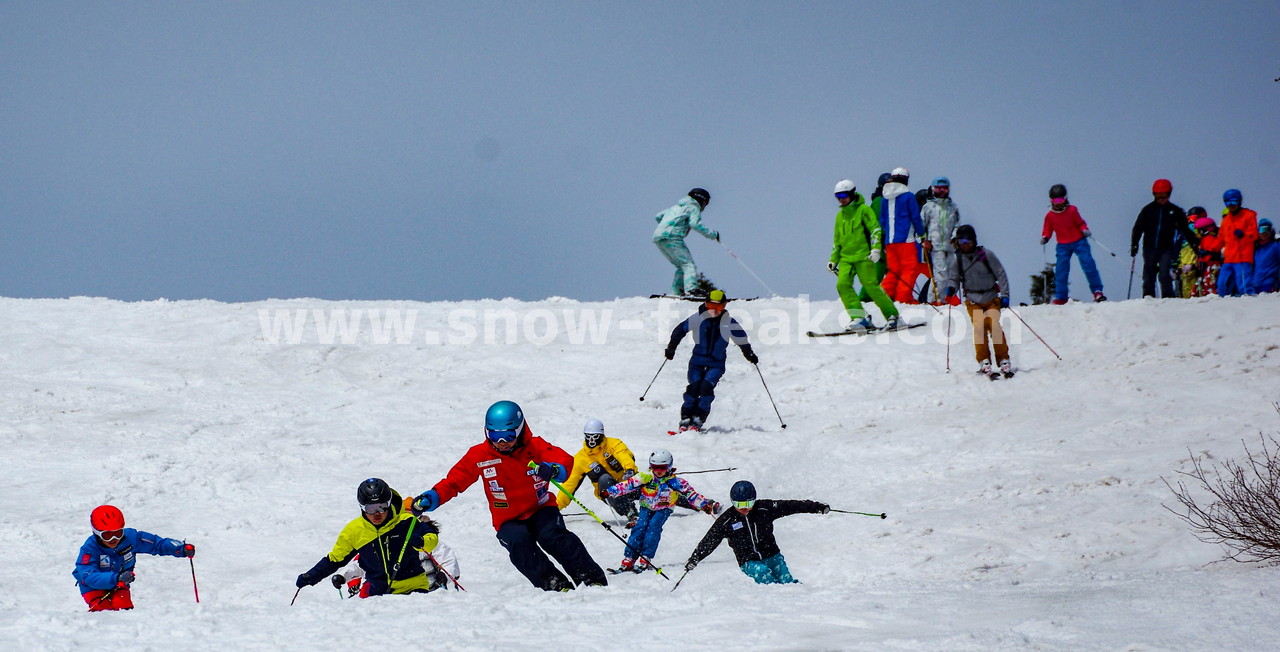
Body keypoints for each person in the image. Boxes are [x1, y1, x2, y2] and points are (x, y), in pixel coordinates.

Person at [413, 401, 608, 591]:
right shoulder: (480, 455)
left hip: (540, 509)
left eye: (508, 435)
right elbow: (455, 481)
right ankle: (554, 584)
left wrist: (553, 469)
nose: (502, 442)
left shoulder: (535, 446)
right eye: (494, 436)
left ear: (520, 430)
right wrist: (433, 497)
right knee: (519, 543)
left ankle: (590, 578)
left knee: (553, 536)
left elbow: (564, 460)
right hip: (507, 518)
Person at [295, 478, 440, 596]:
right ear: (362, 507)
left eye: (382, 507)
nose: (377, 513)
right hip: (378, 593)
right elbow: (334, 560)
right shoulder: (354, 531)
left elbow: (431, 538)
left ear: (389, 504)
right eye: (371, 508)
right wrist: (311, 576)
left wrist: (422, 542)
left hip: (413, 588)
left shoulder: (407, 521)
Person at [682, 480, 828, 585]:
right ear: (733, 503)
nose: (744, 508)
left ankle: (800, 599)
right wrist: (695, 558)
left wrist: (816, 507)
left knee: (786, 581)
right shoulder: (727, 520)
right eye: (739, 505)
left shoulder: (764, 508)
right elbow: (710, 539)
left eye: (748, 504)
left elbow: (791, 506)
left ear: (754, 500)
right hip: (748, 561)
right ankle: (775, 599)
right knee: (762, 572)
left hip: (772, 555)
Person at [604, 449, 720, 573]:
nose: (658, 471)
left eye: (662, 467)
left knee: (653, 528)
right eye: (655, 467)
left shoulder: (675, 482)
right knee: (639, 527)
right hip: (646, 506)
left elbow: (690, 494)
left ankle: (646, 557)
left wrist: (703, 505)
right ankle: (629, 558)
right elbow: (628, 484)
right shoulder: (646, 477)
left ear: (669, 466)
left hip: (664, 508)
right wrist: (610, 491)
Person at [665, 289, 757, 431]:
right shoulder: (698, 318)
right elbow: (679, 331)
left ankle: (698, 418)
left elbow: (741, 339)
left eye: (719, 307)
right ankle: (686, 417)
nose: (714, 310)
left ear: (724, 306)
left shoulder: (729, 322)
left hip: (716, 364)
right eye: (711, 306)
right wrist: (671, 348)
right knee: (694, 388)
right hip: (697, 362)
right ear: (706, 304)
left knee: (706, 389)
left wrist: (749, 354)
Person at [73, 505, 195, 611]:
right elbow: (88, 576)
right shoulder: (89, 549)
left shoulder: (131, 538)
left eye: (118, 533)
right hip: (93, 587)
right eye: (107, 535)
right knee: (104, 611)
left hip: (120, 583)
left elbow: (157, 544)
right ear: (96, 533)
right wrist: (116, 578)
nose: (113, 539)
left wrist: (179, 548)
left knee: (123, 606)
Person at [828, 179, 901, 333]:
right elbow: (837, 241)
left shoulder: (864, 210)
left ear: (852, 193)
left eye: (843, 195)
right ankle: (860, 318)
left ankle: (893, 316)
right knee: (842, 285)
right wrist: (833, 260)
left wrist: (875, 250)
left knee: (871, 287)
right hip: (846, 259)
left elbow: (875, 230)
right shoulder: (840, 216)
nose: (841, 199)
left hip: (863, 257)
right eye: (837, 196)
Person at [331, 511, 462, 597]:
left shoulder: (431, 544)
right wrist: (343, 577)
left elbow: (448, 561)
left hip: (429, 594)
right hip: (390, 596)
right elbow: (361, 564)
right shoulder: (385, 545)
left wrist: (444, 575)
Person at [944, 224, 1013, 379]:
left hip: (990, 297)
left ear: (974, 240)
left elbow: (1000, 274)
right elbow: (953, 278)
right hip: (973, 300)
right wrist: (951, 288)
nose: (965, 245)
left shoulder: (986, 255)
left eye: (967, 241)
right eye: (961, 242)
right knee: (979, 328)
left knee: (994, 326)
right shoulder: (958, 260)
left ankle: (1003, 359)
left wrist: (1005, 295)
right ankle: (984, 360)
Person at [555, 418, 641, 527]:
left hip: (628, 483)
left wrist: (629, 469)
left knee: (652, 486)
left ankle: (661, 500)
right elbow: (569, 485)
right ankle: (630, 512)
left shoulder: (614, 444)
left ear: (601, 435)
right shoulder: (581, 459)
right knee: (604, 479)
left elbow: (623, 455)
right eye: (588, 436)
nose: (591, 440)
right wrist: (555, 507)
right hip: (610, 492)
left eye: (595, 437)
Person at [1130, 179, 1196, 298]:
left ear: (1169, 194)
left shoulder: (1175, 211)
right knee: (1149, 272)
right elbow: (1138, 227)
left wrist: (1195, 245)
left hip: (1166, 248)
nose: (1161, 199)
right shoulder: (1148, 210)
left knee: (1164, 274)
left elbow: (1186, 230)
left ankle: (1168, 297)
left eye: (1164, 195)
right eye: (1158, 196)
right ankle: (1148, 296)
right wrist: (1134, 244)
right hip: (1149, 247)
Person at [1041, 184, 1106, 303]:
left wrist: (1084, 229)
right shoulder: (1050, 216)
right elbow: (1047, 229)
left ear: (1065, 198)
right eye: (1055, 200)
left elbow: (1080, 223)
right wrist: (1045, 237)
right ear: (1051, 200)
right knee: (1061, 270)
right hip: (1063, 245)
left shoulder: (1072, 210)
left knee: (1088, 264)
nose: (1058, 203)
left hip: (1079, 241)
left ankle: (1097, 291)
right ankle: (1061, 297)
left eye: (1061, 199)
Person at [653, 188, 719, 297]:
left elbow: (658, 216)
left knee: (681, 266)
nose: (704, 207)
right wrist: (713, 234)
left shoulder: (676, 207)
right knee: (688, 264)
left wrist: (666, 225)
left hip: (659, 237)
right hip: (672, 237)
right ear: (702, 200)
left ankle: (676, 292)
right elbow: (695, 224)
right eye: (706, 204)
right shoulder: (693, 207)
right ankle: (692, 289)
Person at [876, 167, 927, 303]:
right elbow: (915, 217)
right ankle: (903, 299)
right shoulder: (908, 196)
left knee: (893, 271)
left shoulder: (884, 198)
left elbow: (882, 220)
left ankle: (884, 297)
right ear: (906, 180)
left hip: (890, 242)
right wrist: (921, 234)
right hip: (906, 240)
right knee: (909, 269)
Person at [921, 176, 961, 303]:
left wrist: (955, 238)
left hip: (950, 246)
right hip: (935, 246)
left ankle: (942, 300)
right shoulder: (929, 207)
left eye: (944, 188)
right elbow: (921, 226)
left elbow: (957, 224)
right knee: (940, 275)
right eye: (939, 188)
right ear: (933, 189)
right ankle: (934, 301)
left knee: (950, 275)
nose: (942, 191)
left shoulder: (952, 207)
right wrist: (923, 240)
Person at [1217, 189, 1259, 297]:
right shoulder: (1226, 220)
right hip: (1229, 257)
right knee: (1222, 283)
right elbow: (1220, 239)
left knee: (1244, 284)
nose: (1231, 205)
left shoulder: (1248, 215)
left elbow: (1254, 234)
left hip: (1243, 257)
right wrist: (1208, 248)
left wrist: (1244, 234)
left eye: (1234, 201)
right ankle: (1222, 302)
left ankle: (1249, 299)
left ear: (1239, 201)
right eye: (1228, 202)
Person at [1177, 207, 1208, 298]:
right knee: (1185, 289)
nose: (1191, 222)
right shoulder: (1182, 234)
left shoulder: (1203, 232)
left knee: (1196, 288)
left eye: (1194, 218)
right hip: (1185, 266)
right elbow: (1178, 251)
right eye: (1189, 219)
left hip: (1196, 265)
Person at [1194, 217, 1222, 296]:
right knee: (1203, 283)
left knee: (1209, 283)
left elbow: (1209, 253)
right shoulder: (1205, 239)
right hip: (1207, 265)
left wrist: (1203, 262)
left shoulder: (1209, 239)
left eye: (1198, 231)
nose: (1197, 234)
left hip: (1211, 265)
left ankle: (1209, 296)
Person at [1253, 219, 1280, 294]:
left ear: (1271, 231)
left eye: (1267, 229)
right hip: (1256, 284)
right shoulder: (1257, 249)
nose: (1264, 232)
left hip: (1269, 283)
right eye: (1261, 230)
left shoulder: (1275, 246)